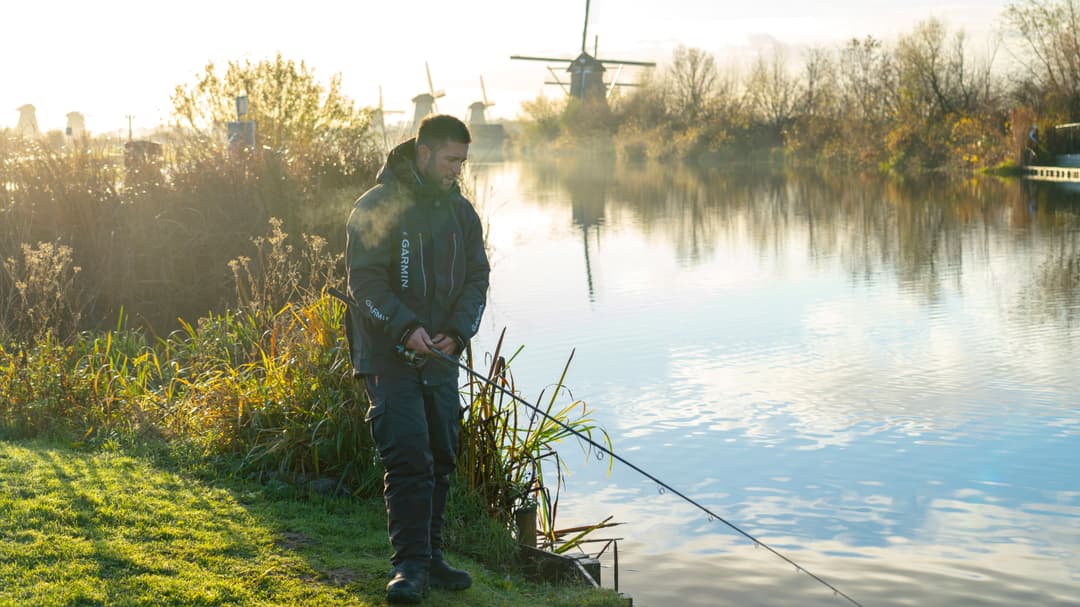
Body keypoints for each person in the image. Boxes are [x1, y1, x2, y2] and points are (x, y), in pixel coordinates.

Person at [345, 114, 489, 604]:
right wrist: (406, 328)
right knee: (409, 456)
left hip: (441, 357)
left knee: (442, 454)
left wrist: (456, 332)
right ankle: (408, 570)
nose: (457, 171)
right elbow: (363, 282)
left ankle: (431, 557)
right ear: (424, 153)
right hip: (386, 355)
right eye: (451, 160)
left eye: (463, 163)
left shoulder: (461, 213)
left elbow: (477, 278)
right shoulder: (375, 206)